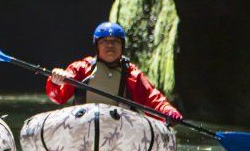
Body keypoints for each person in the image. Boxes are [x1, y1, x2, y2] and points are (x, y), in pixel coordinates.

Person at [47, 21, 183, 124]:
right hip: (83, 125)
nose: (110, 45)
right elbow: (58, 96)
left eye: (115, 41)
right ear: (97, 46)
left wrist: (168, 111)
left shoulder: (132, 74)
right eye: (104, 41)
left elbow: (152, 99)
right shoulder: (82, 68)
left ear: (122, 46)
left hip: (119, 130)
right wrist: (55, 80)